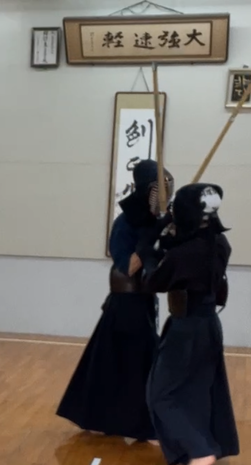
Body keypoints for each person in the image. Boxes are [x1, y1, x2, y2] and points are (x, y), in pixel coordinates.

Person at [56, 159, 173, 444]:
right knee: (119, 365)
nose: (163, 195)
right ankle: (114, 421)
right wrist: (148, 240)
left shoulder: (155, 222)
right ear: (147, 189)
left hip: (144, 303)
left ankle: (139, 423)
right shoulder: (125, 224)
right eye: (158, 189)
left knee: (137, 365)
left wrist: (166, 236)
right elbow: (128, 267)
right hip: (124, 306)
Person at [140, 182, 240, 465]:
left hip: (186, 329)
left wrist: (149, 251)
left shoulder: (187, 253)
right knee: (195, 390)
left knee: (160, 394)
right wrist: (168, 238)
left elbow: (153, 282)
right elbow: (188, 250)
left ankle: (199, 450)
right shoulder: (219, 243)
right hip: (208, 325)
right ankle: (192, 445)